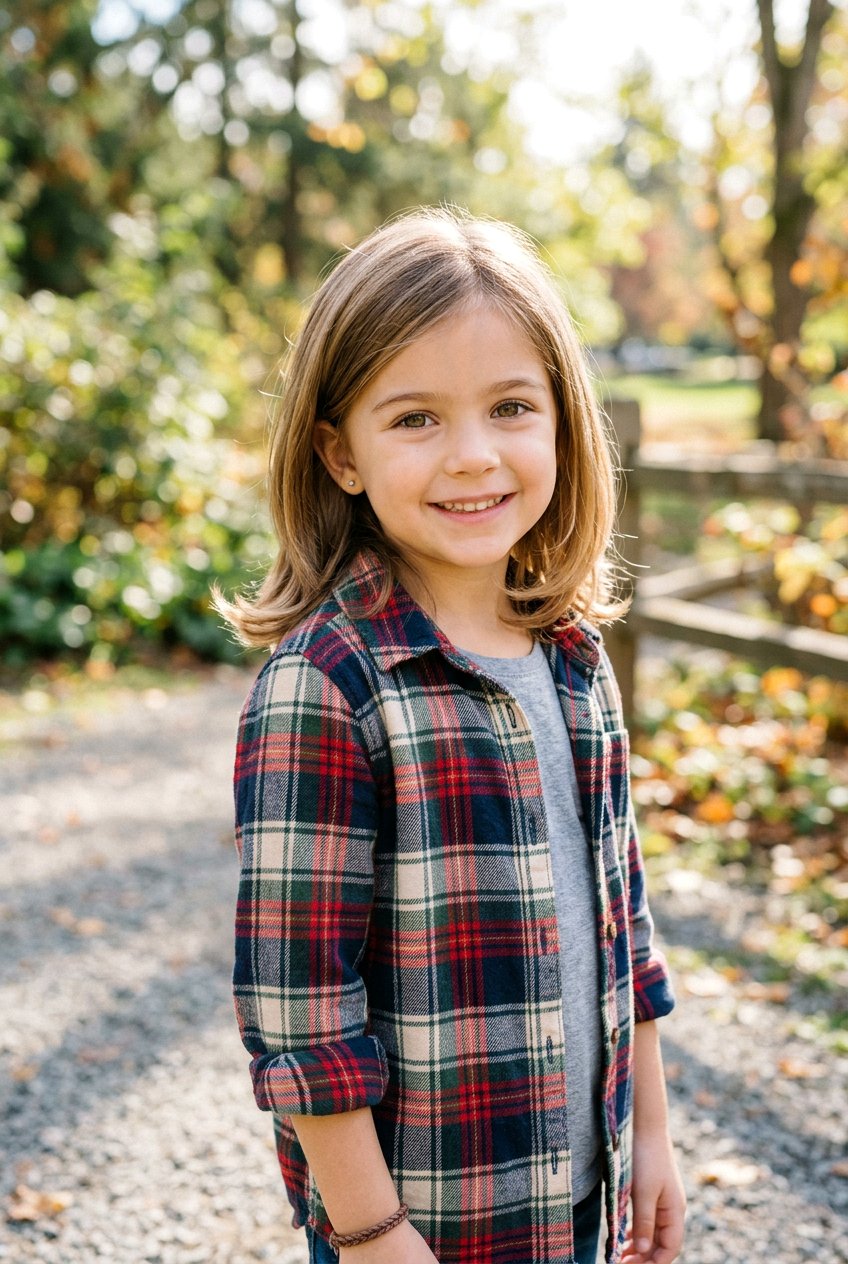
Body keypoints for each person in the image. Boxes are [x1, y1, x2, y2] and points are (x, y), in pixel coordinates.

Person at [221, 208, 686, 1264]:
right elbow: (300, 1016)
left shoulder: (573, 660)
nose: (473, 456)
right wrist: (375, 1235)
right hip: (426, 1228)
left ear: (563, 423)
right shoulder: (327, 689)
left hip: (586, 1205)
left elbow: (625, 926)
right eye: (415, 418)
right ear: (339, 453)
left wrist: (651, 1136)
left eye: (510, 407)